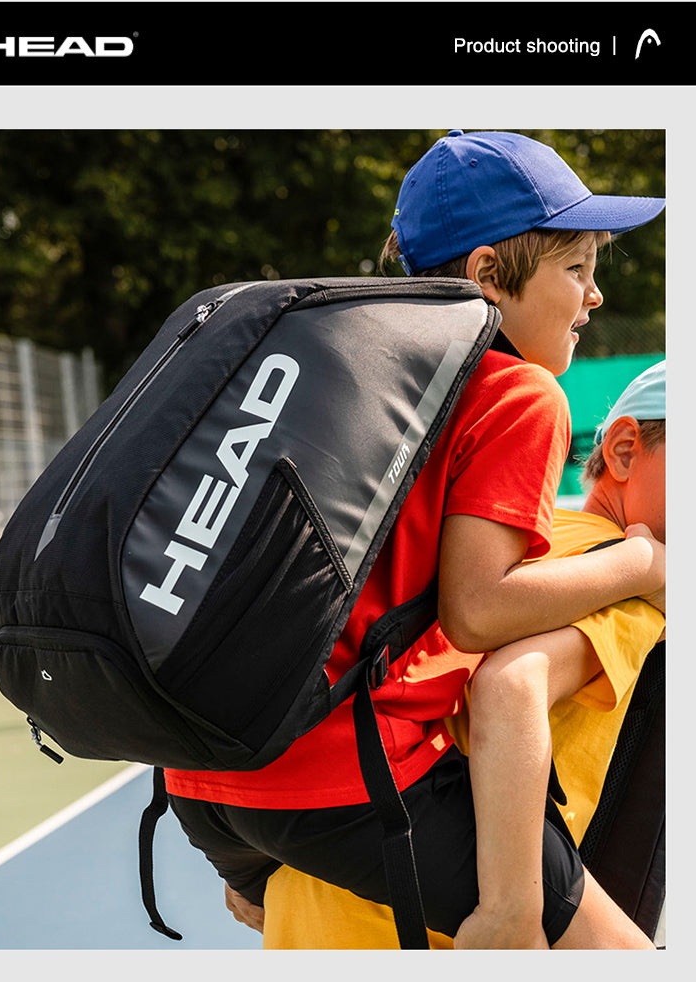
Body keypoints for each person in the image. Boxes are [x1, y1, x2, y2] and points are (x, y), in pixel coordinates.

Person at [165, 131, 666, 949]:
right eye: (576, 267)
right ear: (488, 275)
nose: (595, 293)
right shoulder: (517, 391)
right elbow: (478, 609)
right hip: (336, 777)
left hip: (209, 772)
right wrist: (640, 561)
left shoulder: (356, 371)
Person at [253, 361, 666, 950]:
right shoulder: (627, 583)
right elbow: (513, 685)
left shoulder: (473, 550)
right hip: (430, 926)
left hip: (309, 894)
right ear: (623, 451)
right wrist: (513, 908)